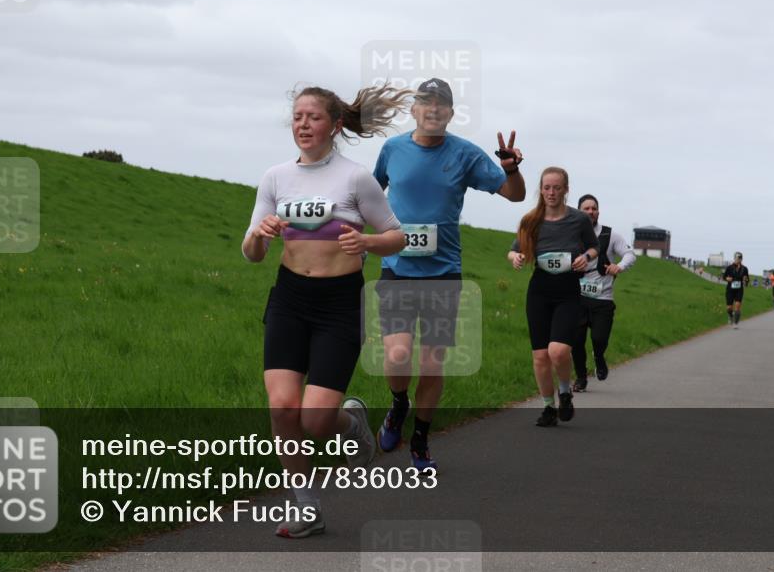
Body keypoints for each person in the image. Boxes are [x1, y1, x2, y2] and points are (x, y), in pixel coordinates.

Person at [242, 84, 407, 538]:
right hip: (289, 300)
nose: (303, 124)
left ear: (335, 125)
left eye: (313, 117)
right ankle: (307, 507)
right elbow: (251, 253)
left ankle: (351, 421)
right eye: (297, 117)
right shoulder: (275, 177)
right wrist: (261, 235)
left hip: (339, 304)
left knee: (314, 421)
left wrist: (368, 241)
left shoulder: (355, 178)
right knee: (281, 408)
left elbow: (396, 235)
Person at [373, 78, 526, 472]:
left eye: (441, 104)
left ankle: (421, 440)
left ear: (450, 113)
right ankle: (398, 405)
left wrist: (512, 170)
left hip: (443, 273)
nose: (433, 110)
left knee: (433, 362)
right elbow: (370, 195)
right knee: (398, 353)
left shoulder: (464, 154)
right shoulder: (392, 149)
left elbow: (515, 195)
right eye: (426, 103)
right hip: (397, 268)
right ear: (414, 110)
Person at [508, 167, 599, 426]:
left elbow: (594, 246)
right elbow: (513, 251)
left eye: (556, 188)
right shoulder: (531, 220)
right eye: (546, 187)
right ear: (541, 189)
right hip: (539, 290)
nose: (551, 193)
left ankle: (565, 391)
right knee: (540, 356)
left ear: (566, 190)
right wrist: (516, 257)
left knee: (558, 352)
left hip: (568, 290)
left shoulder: (579, 220)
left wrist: (586, 257)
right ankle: (548, 408)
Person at [570, 194, 635, 391]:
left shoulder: (610, 235)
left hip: (602, 299)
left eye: (594, 208)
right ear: (579, 212)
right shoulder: (571, 234)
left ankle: (599, 357)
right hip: (577, 298)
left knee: (599, 339)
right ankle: (581, 378)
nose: (590, 212)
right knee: (576, 342)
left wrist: (620, 267)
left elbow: (630, 254)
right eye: (586, 208)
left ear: (598, 211)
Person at [723, 252, 750, 328]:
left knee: (737, 306)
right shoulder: (729, 267)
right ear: (734, 258)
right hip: (730, 289)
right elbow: (724, 277)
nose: (739, 260)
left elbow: (747, 279)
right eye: (737, 258)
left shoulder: (744, 269)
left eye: (740, 258)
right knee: (729, 308)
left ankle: (735, 322)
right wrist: (727, 278)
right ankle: (730, 316)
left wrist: (745, 281)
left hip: (739, 289)